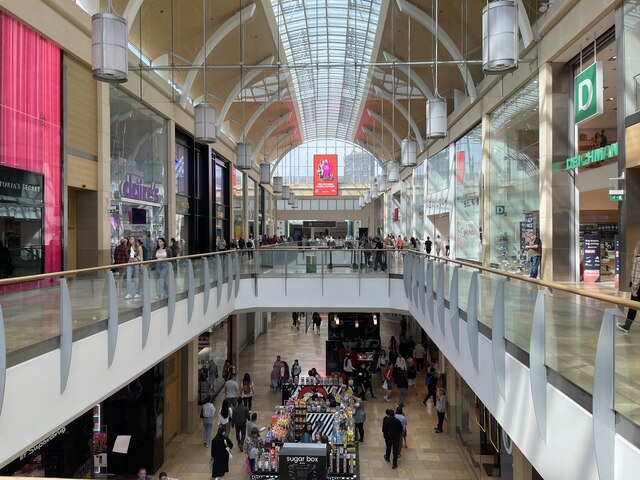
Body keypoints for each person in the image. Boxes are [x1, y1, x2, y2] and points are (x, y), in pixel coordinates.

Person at [617, 240, 640, 332]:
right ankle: (627, 325)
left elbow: (637, 275)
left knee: (632, 307)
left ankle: (627, 326)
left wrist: (635, 288)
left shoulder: (638, 259)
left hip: (637, 289)